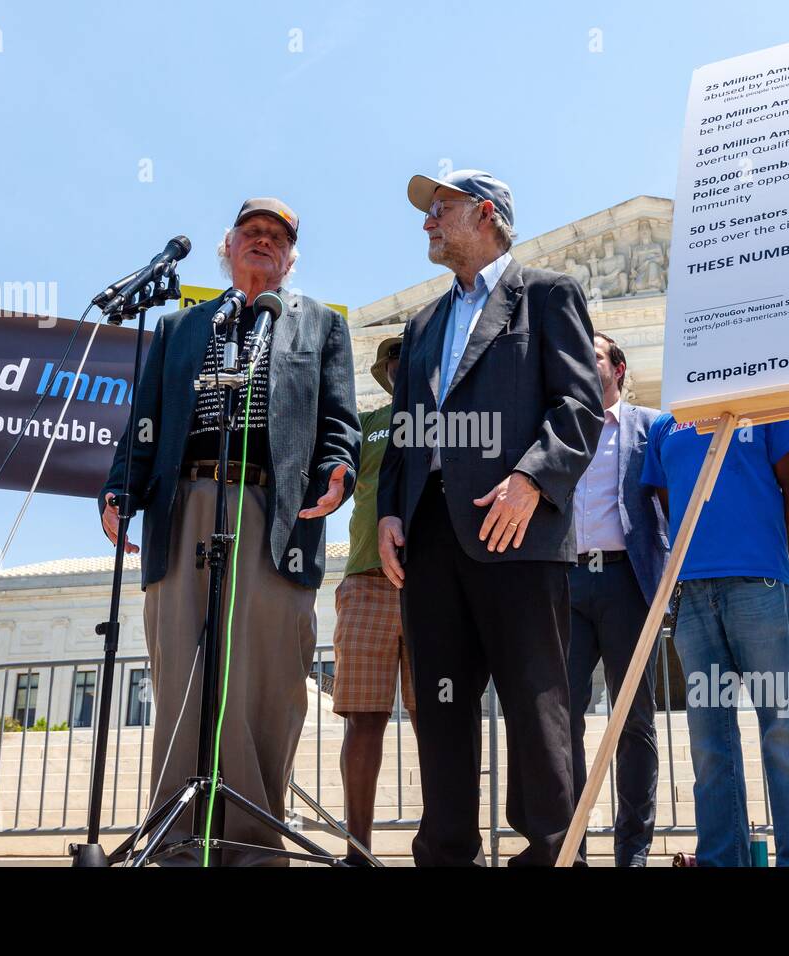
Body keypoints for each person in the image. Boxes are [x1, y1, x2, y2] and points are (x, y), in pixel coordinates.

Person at [98, 197, 360, 865]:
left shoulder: (323, 326)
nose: (264, 242)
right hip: (185, 505)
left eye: (278, 236)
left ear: (292, 256)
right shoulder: (179, 327)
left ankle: (252, 843)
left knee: (268, 679)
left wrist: (338, 469)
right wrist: (118, 486)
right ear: (229, 244)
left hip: (275, 514)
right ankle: (179, 839)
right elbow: (145, 423)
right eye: (253, 232)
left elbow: (339, 421)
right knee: (183, 668)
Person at [377, 168, 603, 866]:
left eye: (438, 210)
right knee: (439, 711)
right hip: (431, 538)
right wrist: (389, 512)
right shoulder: (421, 326)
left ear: (485, 215)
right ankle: (447, 853)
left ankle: (550, 852)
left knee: (537, 708)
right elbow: (405, 430)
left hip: (517, 531)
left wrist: (531, 481)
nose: (426, 223)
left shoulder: (547, 295)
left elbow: (579, 408)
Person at [641, 415, 789, 866]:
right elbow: (668, 505)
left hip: (756, 589)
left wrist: (768, 559)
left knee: (780, 728)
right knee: (708, 739)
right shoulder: (666, 426)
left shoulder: (766, 407)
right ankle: (723, 859)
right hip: (694, 596)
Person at [566, 332, 668, 866]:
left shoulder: (652, 427)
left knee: (633, 719)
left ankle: (634, 850)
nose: (584, 360)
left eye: (596, 354)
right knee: (563, 719)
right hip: (568, 583)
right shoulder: (559, 430)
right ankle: (572, 848)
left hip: (627, 582)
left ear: (619, 368)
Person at [332, 334, 417, 865]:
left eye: (410, 354)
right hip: (366, 577)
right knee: (365, 718)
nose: (399, 363)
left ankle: (447, 843)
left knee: (439, 717)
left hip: (436, 584)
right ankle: (358, 849)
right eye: (392, 357)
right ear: (384, 371)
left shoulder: (456, 417)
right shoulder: (366, 425)